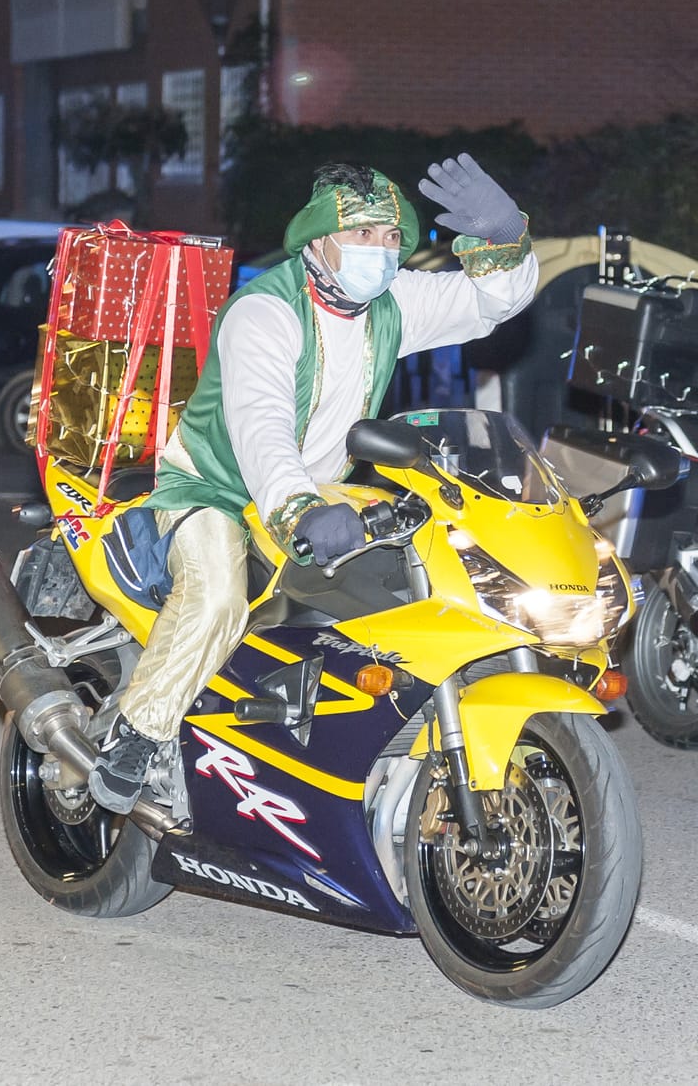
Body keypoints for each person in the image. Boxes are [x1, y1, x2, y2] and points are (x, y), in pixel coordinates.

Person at [87, 156, 539, 813]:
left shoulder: (389, 303)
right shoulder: (266, 312)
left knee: (429, 568)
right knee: (216, 597)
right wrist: (298, 509)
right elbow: (262, 428)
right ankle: (139, 731)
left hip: (323, 493)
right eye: (363, 233)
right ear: (319, 238)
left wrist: (505, 240)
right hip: (217, 490)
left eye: (392, 236)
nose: (380, 250)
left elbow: (489, 305)